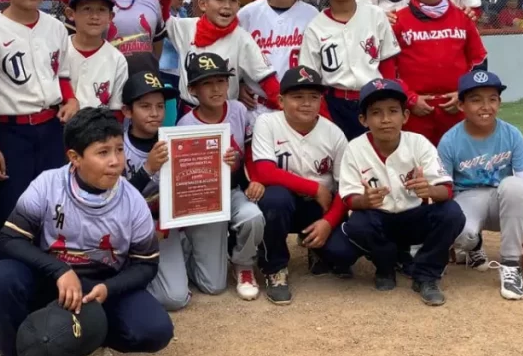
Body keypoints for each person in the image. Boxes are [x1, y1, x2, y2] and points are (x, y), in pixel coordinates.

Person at [0, 107, 174, 356]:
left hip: (100, 284)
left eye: (119, 150)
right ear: (75, 157)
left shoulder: (133, 202)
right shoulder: (48, 185)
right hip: (50, 278)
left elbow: (145, 265)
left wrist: (108, 289)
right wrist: (59, 271)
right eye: (103, 152)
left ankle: (90, 339)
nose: (115, 161)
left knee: (154, 330)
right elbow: (9, 240)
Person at [337, 79, 464, 305]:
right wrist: (364, 200)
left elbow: (446, 190)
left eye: (393, 111)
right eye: (376, 113)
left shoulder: (418, 143)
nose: (385, 119)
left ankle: (426, 275)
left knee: (452, 213)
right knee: (358, 224)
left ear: (405, 116)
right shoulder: (355, 148)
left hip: (414, 218)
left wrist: (430, 190)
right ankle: (385, 267)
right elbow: (349, 198)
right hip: (379, 219)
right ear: (363, 120)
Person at [0, 0, 78, 241]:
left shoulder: (56, 27)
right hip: (10, 133)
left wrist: (71, 98)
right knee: (13, 210)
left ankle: (54, 275)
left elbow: (60, 73)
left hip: (52, 128)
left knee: (56, 205)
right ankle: (10, 278)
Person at [248, 66, 358, 304]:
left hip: (318, 208)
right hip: (284, 202)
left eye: (313, 97)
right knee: (275, 198)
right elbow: (265, 172)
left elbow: (346, 187)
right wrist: (314, 188)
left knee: (343, 256)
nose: (306, 103)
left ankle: (316, 249)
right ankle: (274, 268)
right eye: (298, 97)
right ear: (281, 100)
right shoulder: (267, 123)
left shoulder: (334, 133)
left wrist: (328, 223)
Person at [437, 70, 523, 300]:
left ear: (499, 103)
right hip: (467, 198)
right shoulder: (450, 140)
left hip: (502, 200)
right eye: (475, 100)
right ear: (461, 105)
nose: (485, 106)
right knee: (462, 234)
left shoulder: (511, 134)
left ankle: (511, 265)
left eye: (492, 99)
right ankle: (473, 245)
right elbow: (444, 190)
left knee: (514, 184)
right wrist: (445, 237)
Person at [176, 53, 265, 301]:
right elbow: (183, 179)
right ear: (193, 90)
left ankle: (243, 265)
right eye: (207, 83)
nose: (216, 88)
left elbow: (249, 151)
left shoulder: (237, 109)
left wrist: (254, 176)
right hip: (203, 201)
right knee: (213, 286)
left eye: (221, 81)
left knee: (253, 217)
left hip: (233, 189)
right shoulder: (185, 125)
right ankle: (189, 247)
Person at [299, 0, 400, 140]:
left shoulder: (375, 15)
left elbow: (388, 65)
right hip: (335, 102)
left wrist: (386, 101)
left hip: (372, 99)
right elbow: (312, 80)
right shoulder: (315, 27)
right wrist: (324, 116)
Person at [391, 0, 488, 146]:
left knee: (460, 165)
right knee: (418, 167)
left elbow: (479, 62)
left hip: (456, 108)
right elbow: (387, 69)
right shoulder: (397, 21)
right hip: (416, 111)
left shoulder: (463, 17)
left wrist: (464, 95)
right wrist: (410, 99)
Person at [118, 71, 188, 310]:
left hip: (165, 228)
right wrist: (147, 169)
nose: (155, 113)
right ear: (127, 111)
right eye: (145, 106)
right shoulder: (116, 146)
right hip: (126, 231)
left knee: (176, 298)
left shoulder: (175, 140)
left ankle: (183, 256)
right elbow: (112, 200)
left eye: (160, 106)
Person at [165, 0, 281, 109]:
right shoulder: (187, 27)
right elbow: (161, 20)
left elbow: (266, 78)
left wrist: (285, 106)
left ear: (239, 5)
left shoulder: (241, 37)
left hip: (225, 113)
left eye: (233, 0)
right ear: (203, 4)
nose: (227, 6)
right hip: (189, 111)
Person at [237, 0, 319, 118]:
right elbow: (233, 55)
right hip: (257, 109)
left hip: (301, 110)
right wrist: (239, 84)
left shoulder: (313, 16)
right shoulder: (247, 15)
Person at [64, 0, 128, 114]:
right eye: (86, 9)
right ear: (71, 14)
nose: (94, 16)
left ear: (110, 16)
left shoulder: (117, 59)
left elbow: (117, 111)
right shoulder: (59, 50)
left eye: (101, 10)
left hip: (99, 131)